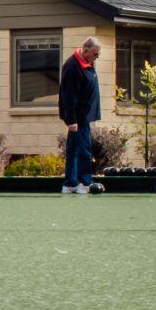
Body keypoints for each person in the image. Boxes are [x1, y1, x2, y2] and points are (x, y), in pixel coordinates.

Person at [58, 36, 102, 194]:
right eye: (95, 54)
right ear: (86, 50)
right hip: (78, 117)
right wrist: (71, 120)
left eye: (98, 54)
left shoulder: (87, 63)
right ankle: (84, 182)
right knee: (83, 149)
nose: (97, 57)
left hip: (84, 116)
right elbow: (68, 95)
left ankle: (71, 183)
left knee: (76, 148)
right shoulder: (72, 66)